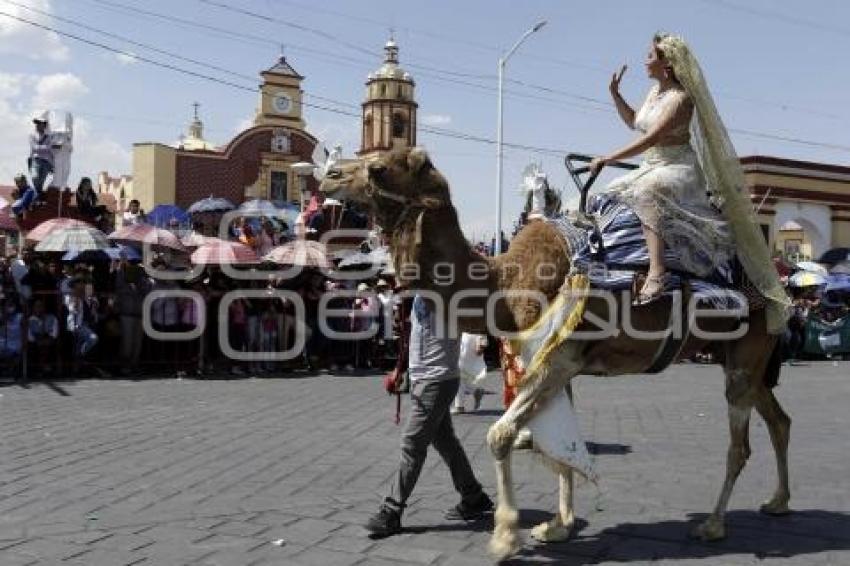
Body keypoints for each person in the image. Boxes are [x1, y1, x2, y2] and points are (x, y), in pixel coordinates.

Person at [589, 34, 789, 327]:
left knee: (646, 192)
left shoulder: (681, 99)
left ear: (667, 63)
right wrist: (615, 95)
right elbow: (635, 122)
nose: (645, 60)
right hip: (653, 164)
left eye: (650, 56)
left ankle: (658, 273)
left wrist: (607, 158)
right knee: (606, 196)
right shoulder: (653, 93)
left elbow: (652, 138)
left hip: (677, 166)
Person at [365, 294, 493, 537]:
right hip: (423, 378)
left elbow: (476, 316)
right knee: (446, 442)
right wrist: (401, 369)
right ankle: (473, 497)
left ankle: (392, 510)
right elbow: (416, 338)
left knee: (412, 444)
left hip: (437, 379)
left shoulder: (450, 294)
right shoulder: (418, 296)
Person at [28, 298, 60, 377]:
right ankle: (37, 370)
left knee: (49, 347)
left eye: (40, 306)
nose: (39, 308)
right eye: (36, 306)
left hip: (49, 340)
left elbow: (54, 333)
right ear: (33, 308)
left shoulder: (52, 317)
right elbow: (29, 335)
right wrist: (37, 340)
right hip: (36, 341)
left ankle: (49, 370)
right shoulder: (30, 320)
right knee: (34, 348)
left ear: (44, 307)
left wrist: (49, 339)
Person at [28, 112, 58, 196]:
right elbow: (35, 148)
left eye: (40, 123)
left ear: (44, 125)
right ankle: (38, 195)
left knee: (41, 181)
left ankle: (37, 196)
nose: (37, 125)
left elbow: (52, 151)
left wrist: (54, 165)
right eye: (37, 123)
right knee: (35, 177)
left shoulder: (49, 137)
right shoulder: (32, 135)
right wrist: (49, 147)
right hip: (35, 160)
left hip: (47, 162)